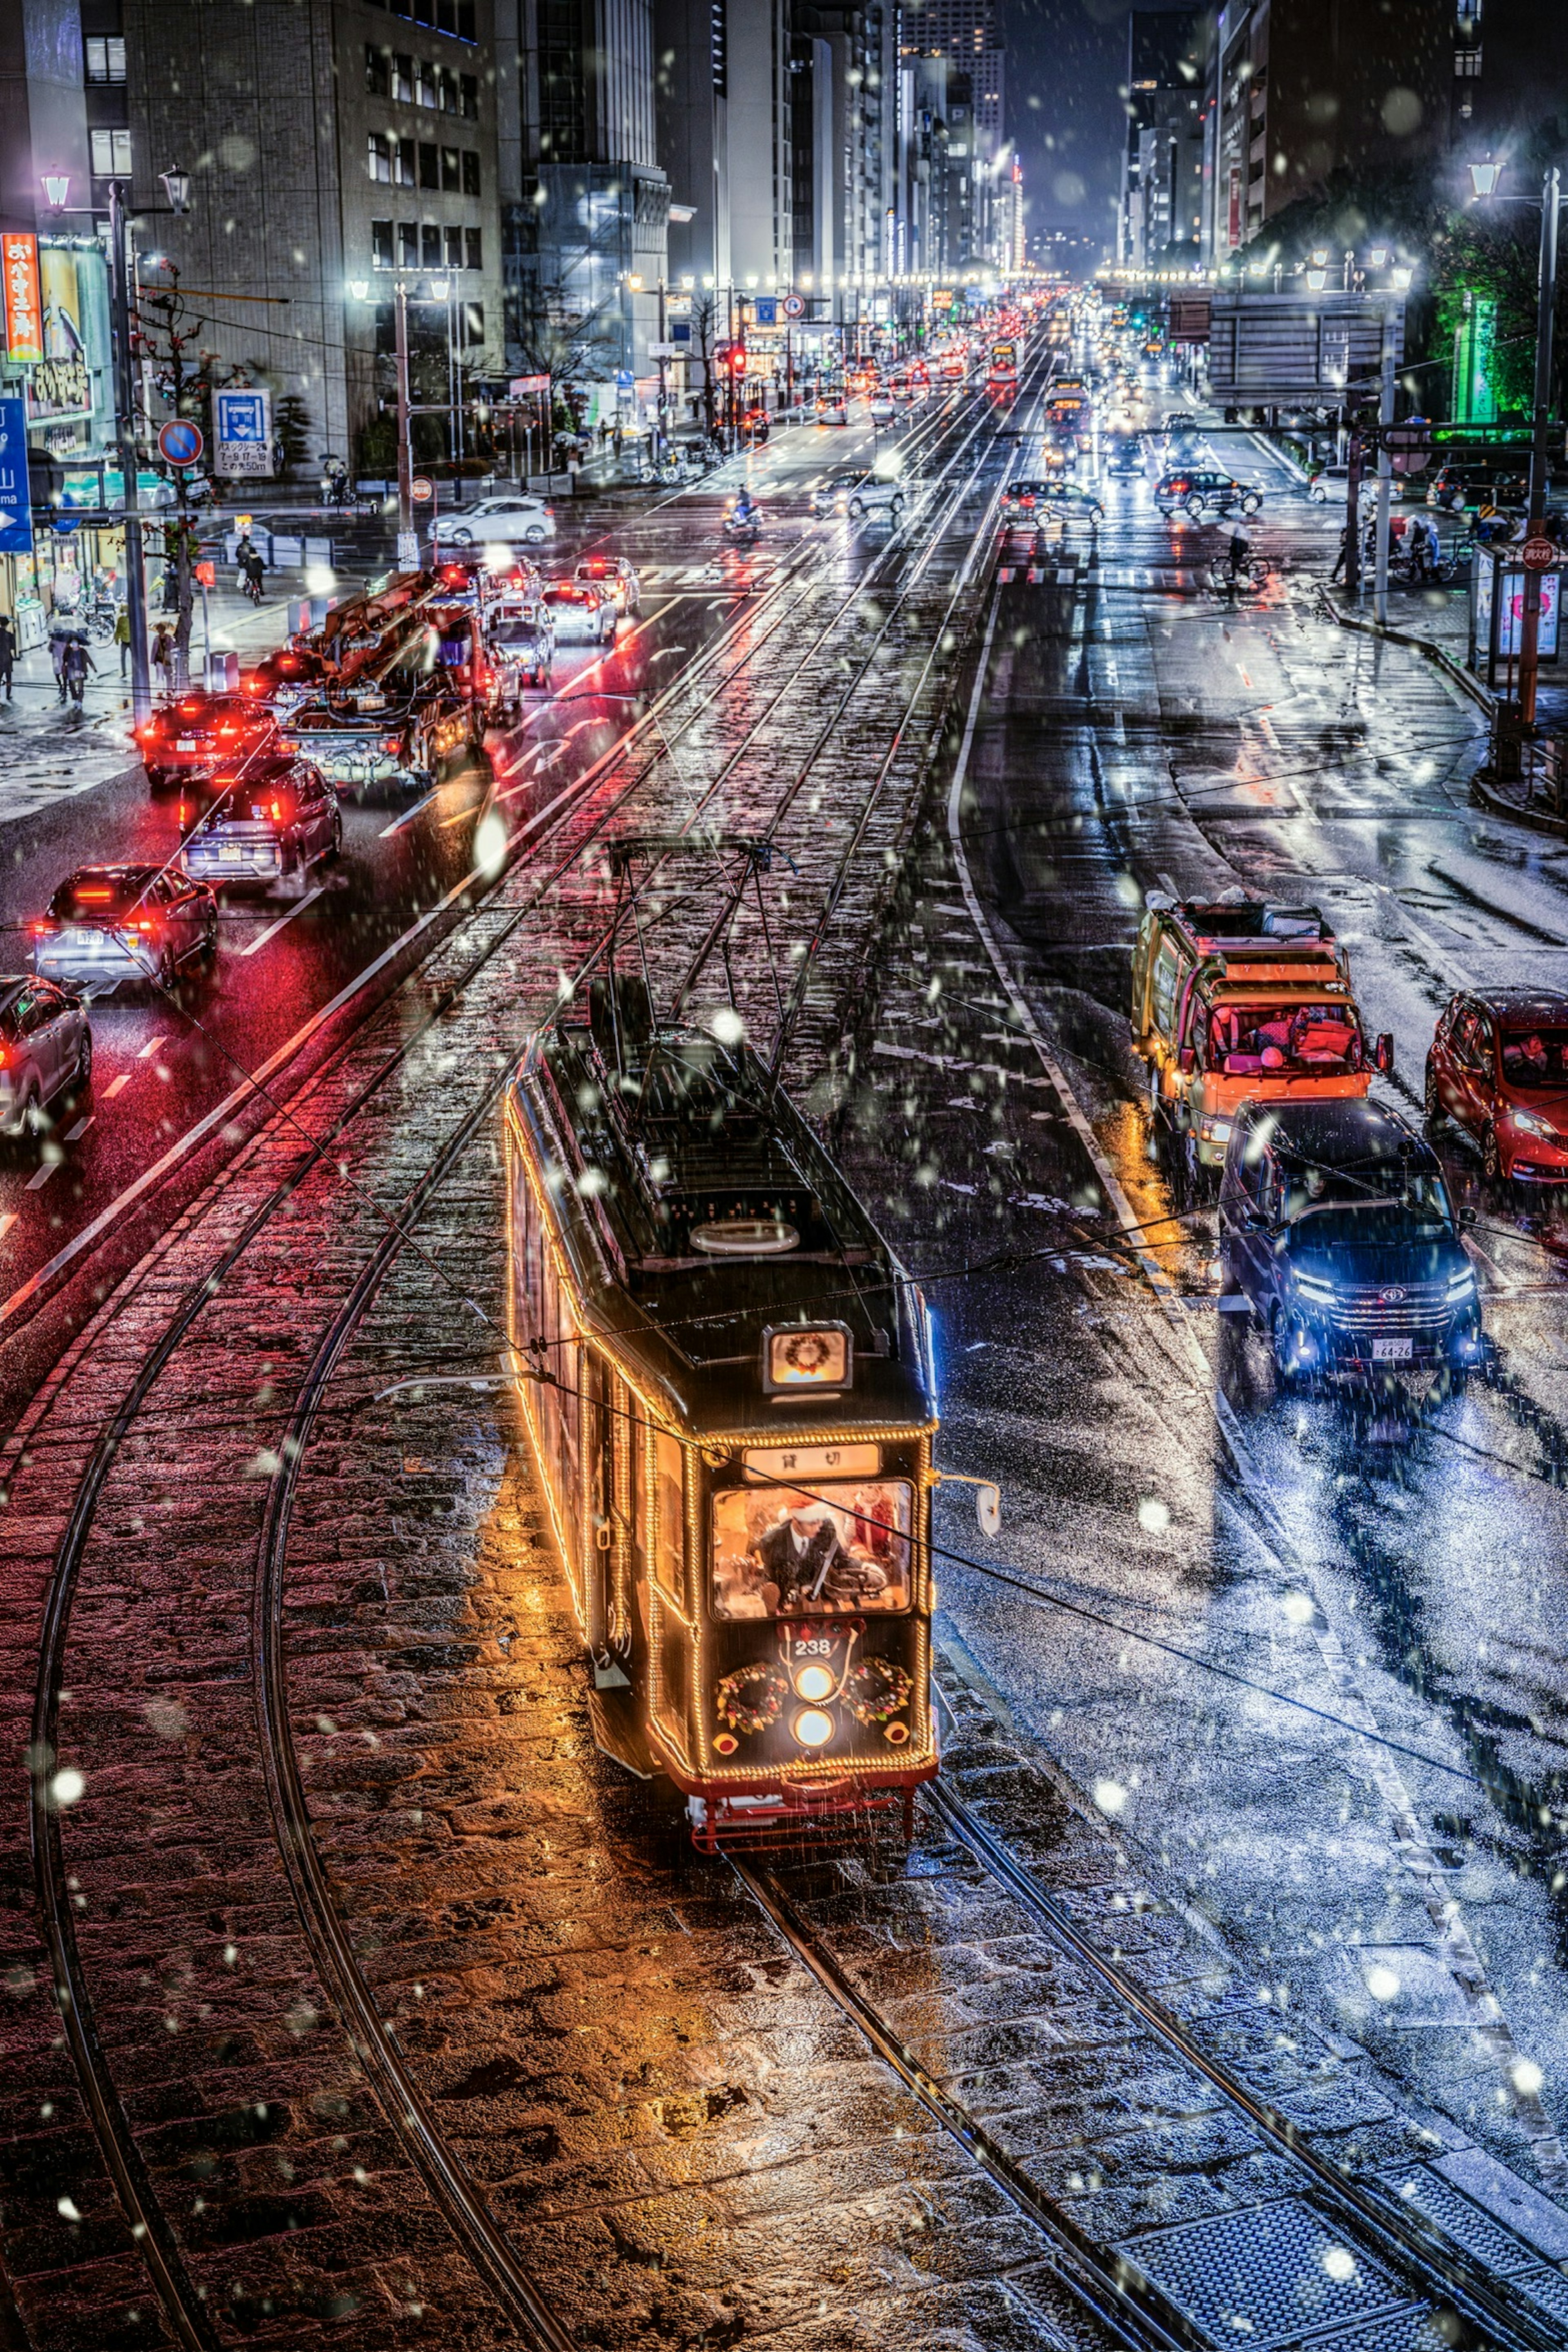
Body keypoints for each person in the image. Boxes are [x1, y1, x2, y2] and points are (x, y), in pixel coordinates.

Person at [61, 634, 94, 709]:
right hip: (71, 673)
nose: (74, 644)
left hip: (81, 672)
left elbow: (88, 659)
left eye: (75, 642)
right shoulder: (68, 651)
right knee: (72, 688)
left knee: (81, 688)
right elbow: (64, 660)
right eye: (73, 643)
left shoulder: (82, 651)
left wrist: (93, 668)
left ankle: (80, 701)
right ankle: (76, 699)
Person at [151, 623, 175, 689]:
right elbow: (154, 651)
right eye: (159, 630)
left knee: (169, 676)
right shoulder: (156, 639)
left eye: (161, 629)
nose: (160, 631)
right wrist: (153, 660)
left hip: (168, 659)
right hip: (159, 659)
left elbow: (173, 648)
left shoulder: (169, 638)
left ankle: (169, 690)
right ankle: (160, 690)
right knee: (160, 675)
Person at [113, 603, 132, 677]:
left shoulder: (128, 619)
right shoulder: (121, 619)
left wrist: (117, 639)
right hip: (125, 641)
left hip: (127, 641)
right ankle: (124, 672)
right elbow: (118, 630)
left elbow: (118, 630)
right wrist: (117, 639)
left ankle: (125, 672)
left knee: (124, 657)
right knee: (123, 657)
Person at [0, 611, 13, 702]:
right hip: (8, 659)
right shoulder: (9, 635)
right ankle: (8, 696)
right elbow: (13, 647)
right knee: (9, 678)